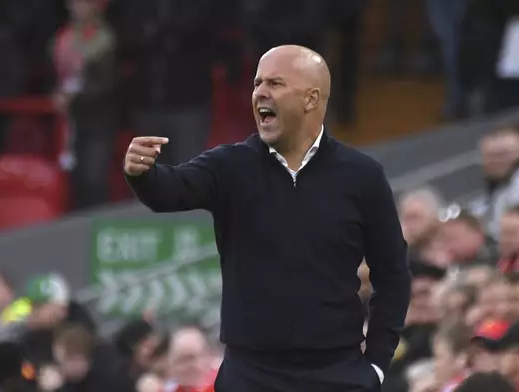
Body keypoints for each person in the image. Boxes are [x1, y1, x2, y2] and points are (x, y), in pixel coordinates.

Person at [123, 45, 411, 391]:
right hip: (251, 375)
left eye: (275, 83)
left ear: (310, 98)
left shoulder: (362, 176)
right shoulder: (230, 166)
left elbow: (392, 274)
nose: (260, 92)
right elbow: (170, 191)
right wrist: (143, 174)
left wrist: (377, 364)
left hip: (337, 374)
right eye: (257, 83)